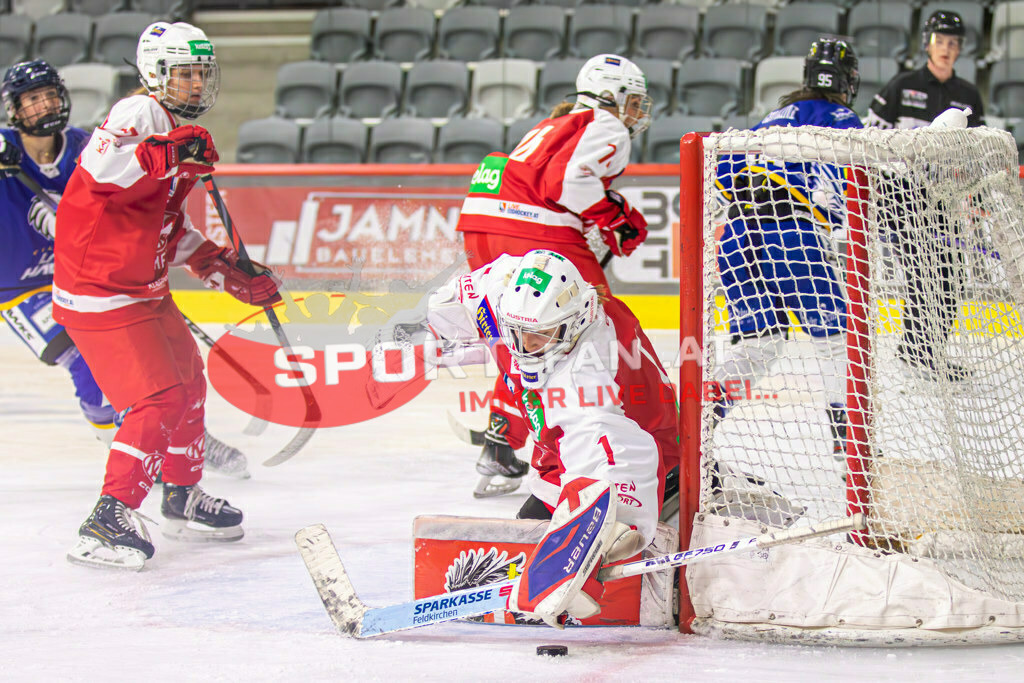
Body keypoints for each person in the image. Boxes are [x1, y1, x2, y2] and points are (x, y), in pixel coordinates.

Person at [55, 22, 281, 570]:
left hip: (143, 289)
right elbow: (104, 170)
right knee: (156, 400)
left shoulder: (170, 128)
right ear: (155, 73)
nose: (196, 83)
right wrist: (166, 150)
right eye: (184, 73)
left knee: (188, 383)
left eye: (202, 72)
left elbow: (164, 227)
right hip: (101, 292)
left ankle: (180, 494)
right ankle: (107, 517)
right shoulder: (140, 116)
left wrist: (221, 267)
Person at [0, 60, 251, 479]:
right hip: (21, 287)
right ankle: (136, 446)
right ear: (14, 109)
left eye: (48, 94)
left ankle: (174, 442)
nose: (43, 104)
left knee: (157, 365)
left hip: (91, 276)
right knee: (84, 362)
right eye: (32, 98)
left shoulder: (87, 145)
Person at [417, 248, 678, 626]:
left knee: (600, 547)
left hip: (650, 450)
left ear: (575, 322)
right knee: (524, 549)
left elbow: (610, 450)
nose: (525, 348)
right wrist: (430, 331)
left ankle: (675, 494)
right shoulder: (503, 290)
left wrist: (593, 539)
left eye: (539, 337)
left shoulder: (588, 365)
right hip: (558, 453)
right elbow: (452, 302)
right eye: (517, 335)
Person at [455, 54, 652, 498]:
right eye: (633, 100)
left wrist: (610, 213)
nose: (636, 112)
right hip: (528, 230)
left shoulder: (555, 123)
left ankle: (501, 442)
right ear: (610, 95)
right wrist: (615, 217)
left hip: (484, 222)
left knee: (522, 337)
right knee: (585, 328)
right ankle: (562, 454)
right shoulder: (606, 124)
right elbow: (568, 185)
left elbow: (546, 181)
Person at [713, 38, 863, 453]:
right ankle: (848, 439)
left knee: (760, 343)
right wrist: (835, 225)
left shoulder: (770, 118)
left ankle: (699, 421)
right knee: (836, 339)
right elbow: (840, 185)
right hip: (792, 237)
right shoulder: (842, 117)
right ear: (849, 80)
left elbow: (725, 174)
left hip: (739, 236)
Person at [864, 9, 982, 381]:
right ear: (927, 44)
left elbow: (978, 153)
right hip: (900, 198)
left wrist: (976, 201)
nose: (946, 49)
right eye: (940, 41)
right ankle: (919, 352)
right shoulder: (901, 86)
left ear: (960, 49)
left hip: (943, 201)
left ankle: (924, 350)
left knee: (952, 273)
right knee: (922, 269)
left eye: (953, 43)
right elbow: (870, 138)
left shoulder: (967, 95)